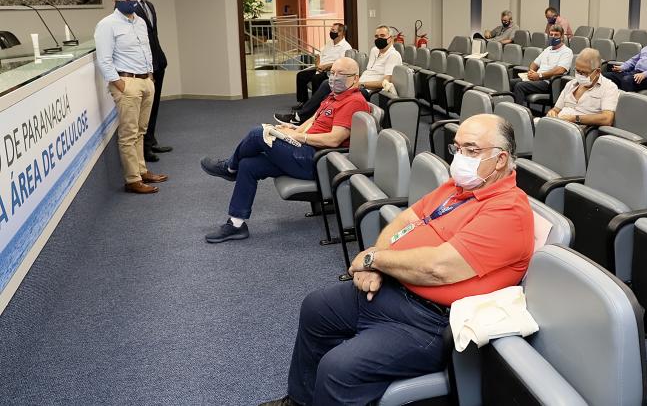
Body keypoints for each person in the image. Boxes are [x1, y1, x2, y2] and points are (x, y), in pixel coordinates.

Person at [259, 114, 534, 406]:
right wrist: (377, 262)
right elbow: (405, 220)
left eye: (472, 150)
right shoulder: (457, 189)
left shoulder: (508, 211)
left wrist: (375, 259)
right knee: (316, 308)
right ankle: (300, 401)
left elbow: (438, 269)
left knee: (338, 368)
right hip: (396, 287)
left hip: (431, 321)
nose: (460, 158)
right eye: (457, 148)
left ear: (501, 159)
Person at [202, 57, 370, 243]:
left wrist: (299, 137)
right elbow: (314, 120)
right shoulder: (334, 96)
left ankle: (229, 168)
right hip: (305, 151)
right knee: (249, 165)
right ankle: (236, 224)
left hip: (318, 161)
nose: (334, 77)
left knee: (259, 134)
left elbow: (334, 139)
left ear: (355, 78)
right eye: (333, 73)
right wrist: (293, 130)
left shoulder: (353, 101)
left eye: (341, 74)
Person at [94, 0, 168, 194]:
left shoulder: (140, 23)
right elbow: (104, 60)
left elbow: (146, 51)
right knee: (128, 134)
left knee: (141, 131)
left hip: (146, 81)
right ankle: (132, 180)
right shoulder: (107, 24)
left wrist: (150, 76)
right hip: (127, 83)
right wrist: (120, 84)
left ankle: (142, 171)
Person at [275, 25, 402, 125]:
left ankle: (301, 117)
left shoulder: (393, 55)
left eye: (382, 35)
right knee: (328, 84)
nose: (378, 38)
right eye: (376, 36)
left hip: (367, 90)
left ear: (390, 38)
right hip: (357, 84)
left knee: (327, 85)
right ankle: (309, 118)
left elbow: (384, 83)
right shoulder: (374, 50)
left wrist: (360, 83)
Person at [126, 0, 172, 163]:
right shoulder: (127, 8)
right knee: (145, 108)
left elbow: (153, 36)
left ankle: (151, 141)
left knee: (154, 105)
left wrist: (161, 58)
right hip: (143, 67)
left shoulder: (149, 5)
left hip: (157, 62)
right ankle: (144, 149)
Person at [546, 48, 619, 127]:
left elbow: (607, 119)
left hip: (578, 130)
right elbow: (556, 110)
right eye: (577, 71)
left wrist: (575, 119)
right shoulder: (571, 84)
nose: (580, 75)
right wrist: (552, 113)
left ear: (597, 72)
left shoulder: (609, 87)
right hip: (558, 124)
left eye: (584, 73)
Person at [292, 23, 351, 109]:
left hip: (331, 71)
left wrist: (325, 67)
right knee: (301, 75)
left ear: (340, 33)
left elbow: (340, 63)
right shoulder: (329, 43)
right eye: (331, 30)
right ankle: (303, 102)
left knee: (316, 79)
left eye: (333, 30)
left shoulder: (346, 47)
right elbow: (318, 55)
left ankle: (315, 105)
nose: (331, 32)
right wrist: (318, 65)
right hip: (320, 68)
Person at [512, 25, 573, 105]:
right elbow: (534, 63)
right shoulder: (548, 49)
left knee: (520, 86)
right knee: (511, 82)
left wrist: (540, 75)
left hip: (548, 82)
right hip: (537, 78)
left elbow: (560, 70)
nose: (553, 37)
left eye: (556, 35)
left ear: (561, 37)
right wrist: (531, 72)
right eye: (551, 35)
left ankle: (519, 114)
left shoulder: (567, 51)